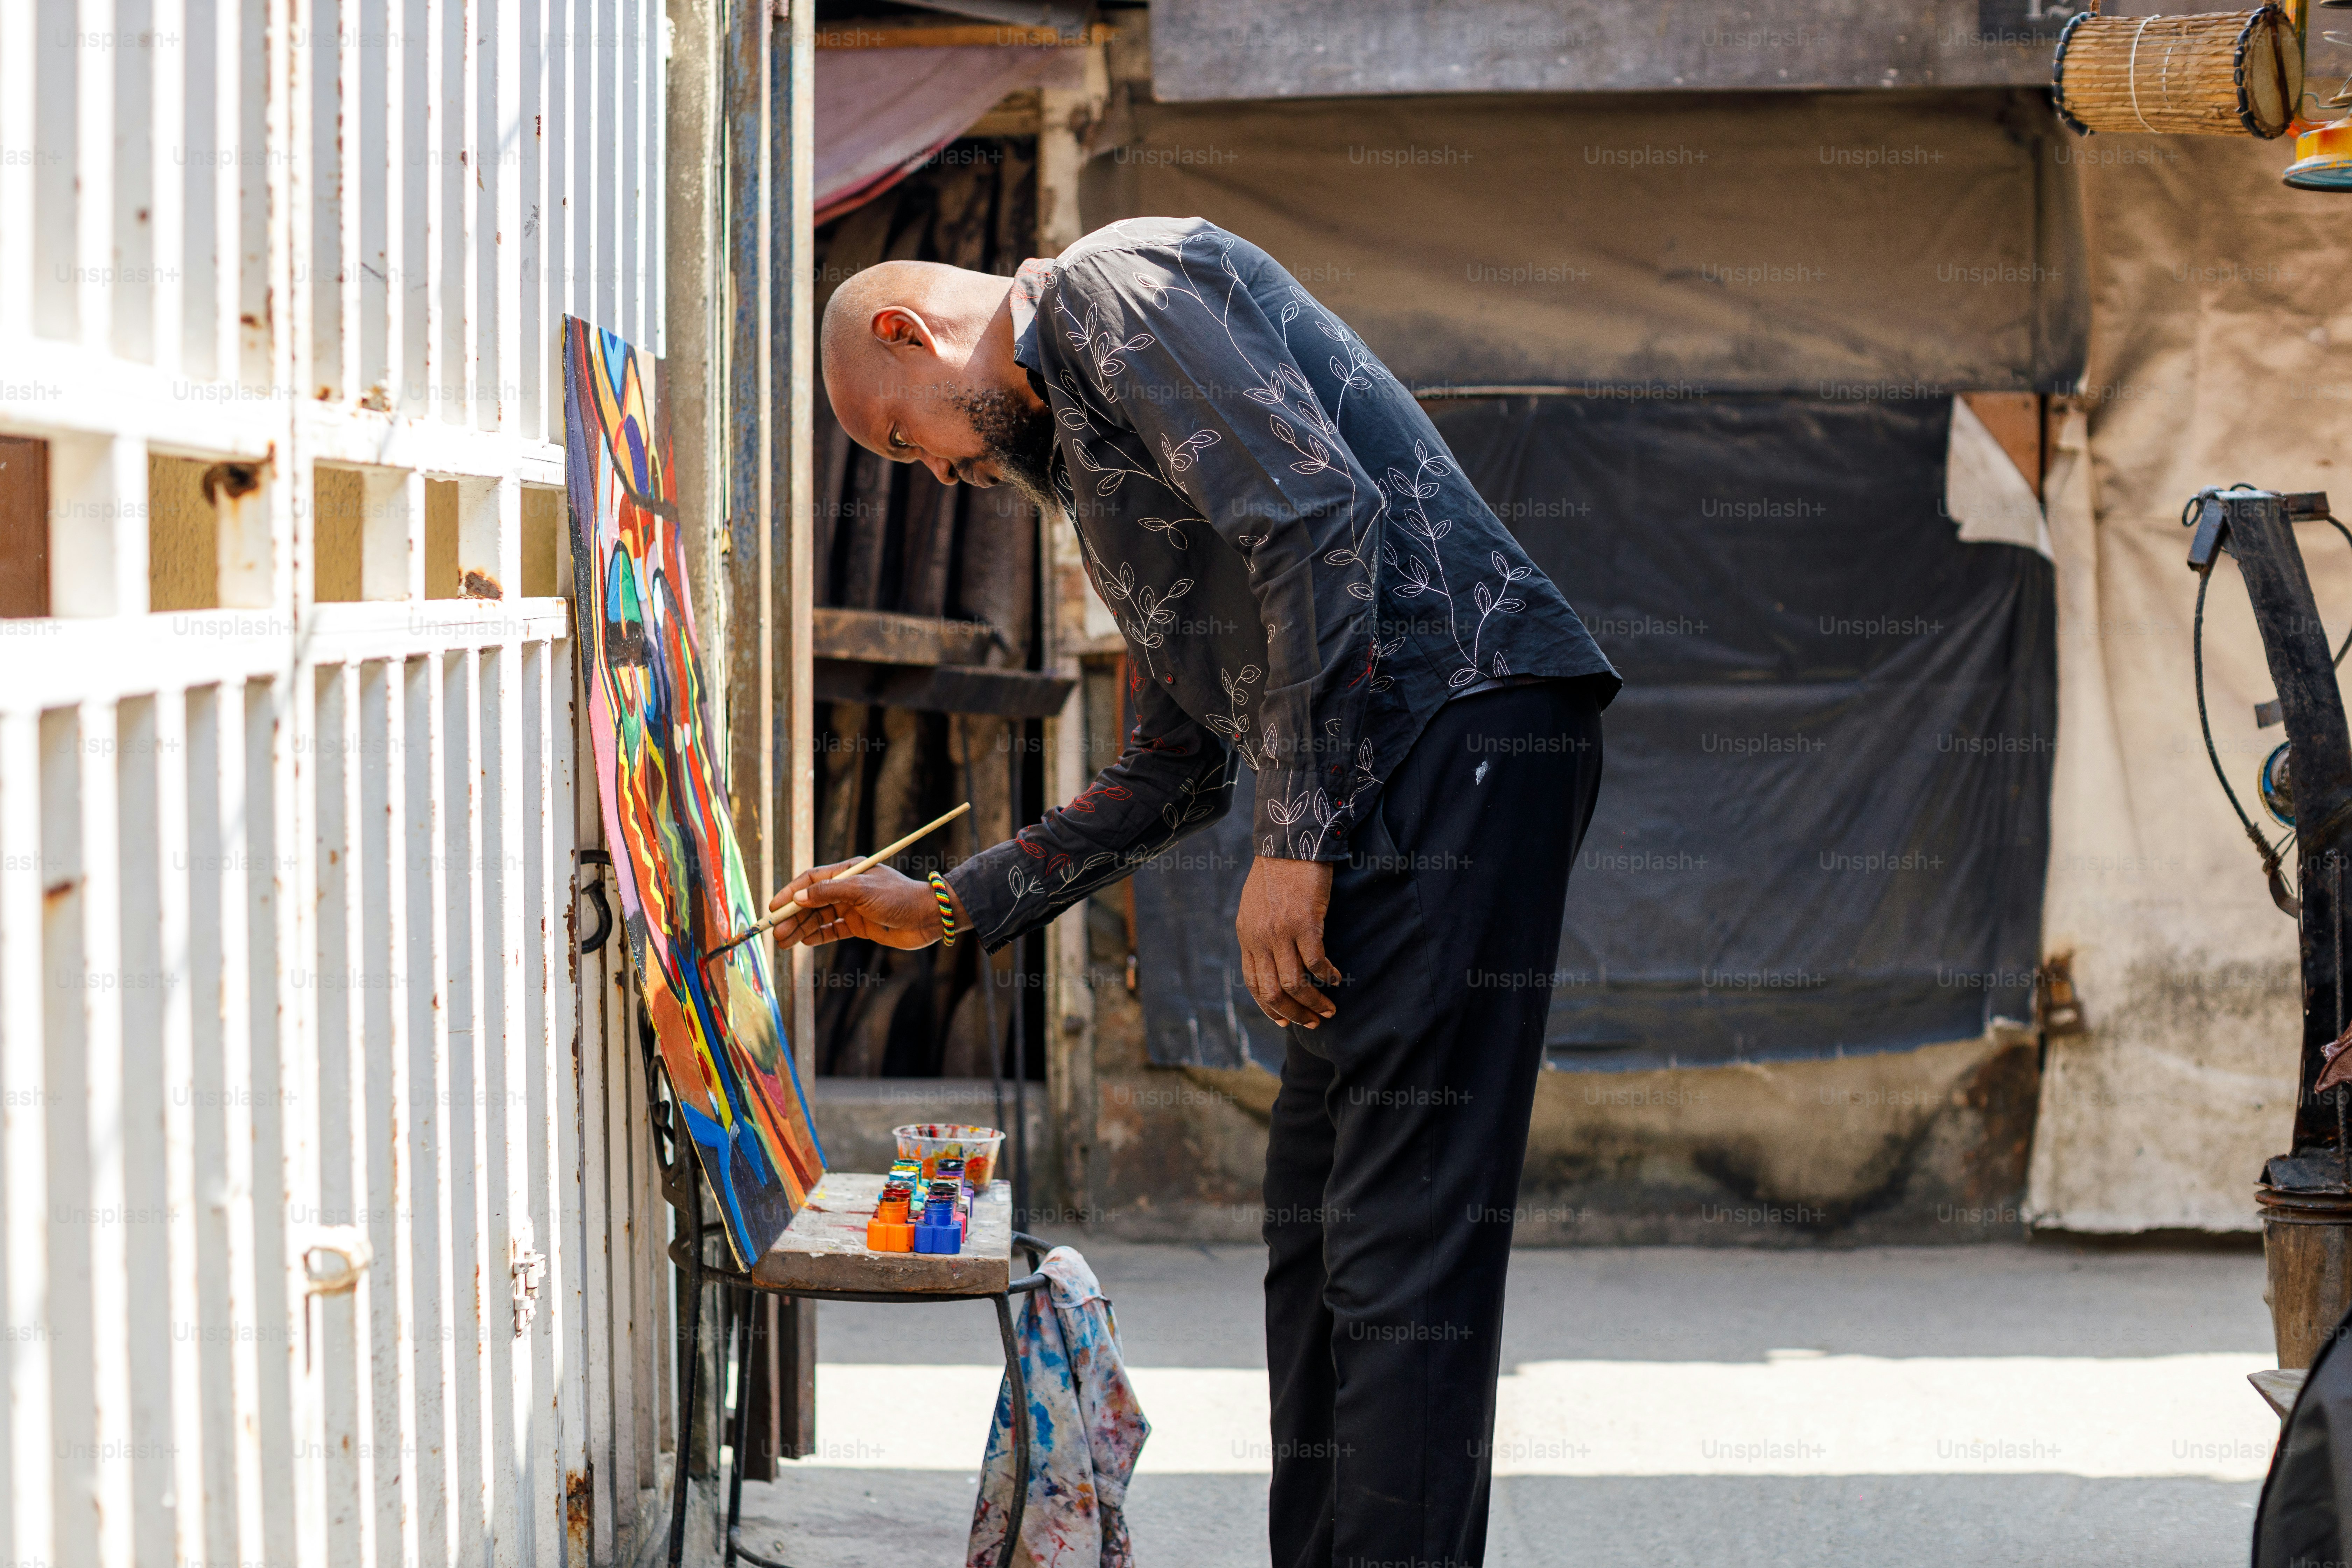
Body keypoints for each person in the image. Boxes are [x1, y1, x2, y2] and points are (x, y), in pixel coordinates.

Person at [768, 215, 1617, 1568]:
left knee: (1400, 1254)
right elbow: (1175, 768)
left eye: (897, 439)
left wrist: (1304, 839)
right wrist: (940, 905)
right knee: (1318, 1236)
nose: (932, 472)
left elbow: (1314, 513)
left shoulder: (1117, 288)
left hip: (1467, 725)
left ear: (906, 335)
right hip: (1384, 769)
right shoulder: (1089, 469)